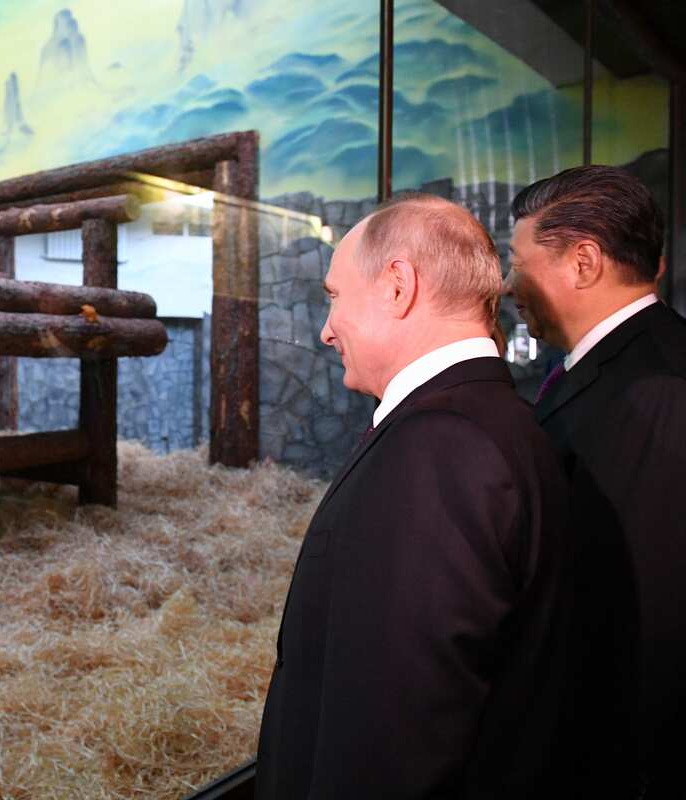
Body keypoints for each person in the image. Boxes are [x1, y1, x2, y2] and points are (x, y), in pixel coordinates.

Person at [255, 194, 572, 799]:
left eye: (335, 296)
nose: (326, 329)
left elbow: (399, 734)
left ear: (397, 286)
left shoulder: (442, 448)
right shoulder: (495, 421)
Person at [505, 165, 686, 799]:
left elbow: (648, 619)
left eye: (518, 261)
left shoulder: (655, 392)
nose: (507, 284)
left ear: (583, 262)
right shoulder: (624, 365)